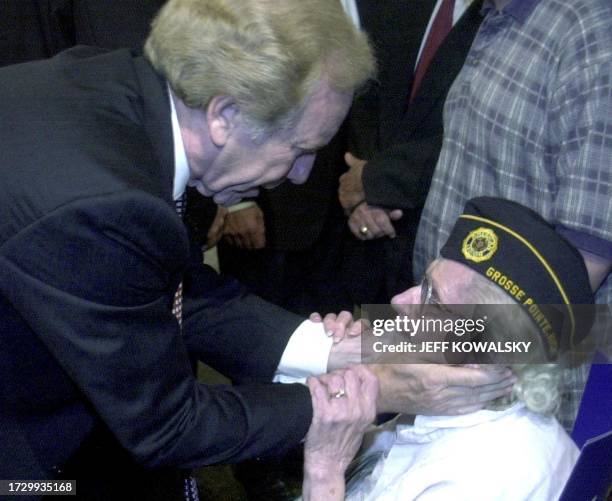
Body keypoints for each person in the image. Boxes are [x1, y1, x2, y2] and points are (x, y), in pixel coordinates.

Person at [0, 1, 515, 499]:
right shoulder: (100, 202)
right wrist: (377, 391)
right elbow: (168, 425)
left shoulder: (127, 93)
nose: (300, 175)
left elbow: (153, 286)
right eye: (300, 150)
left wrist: (334, 352)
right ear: (224, 112)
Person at [303, 197, 594, 500]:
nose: (400, 302)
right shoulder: (467, 413)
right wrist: (336, 373)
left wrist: (324, 472)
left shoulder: (471, 483)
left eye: (435, 301)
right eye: (423, 283)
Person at [412, 0, 612, 430]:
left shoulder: (592, 30)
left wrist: (458, 351)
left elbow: (580, 266)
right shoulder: (497, 14)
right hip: (462, 354)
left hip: (520, 389)